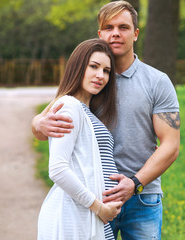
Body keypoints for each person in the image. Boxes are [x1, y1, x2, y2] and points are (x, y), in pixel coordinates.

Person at [32, 1, 180, 239]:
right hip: (93, 196)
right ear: (100, 33)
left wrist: (134, 183)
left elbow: (171, 145)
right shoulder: (90, 78)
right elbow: (44, 125)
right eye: (109, 27)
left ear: (136, 34)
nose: (116, 33)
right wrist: (38, 123)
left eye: (123, 27)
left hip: (142, 197)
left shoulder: (157, 82)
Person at [37, 38, 122, 240]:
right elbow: (58, 169)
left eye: (106, 70)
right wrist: (99, 207)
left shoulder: (86, 111)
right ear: (77, 67)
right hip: (77, 216)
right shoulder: (69, 106)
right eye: (94, 66)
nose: (100, 75)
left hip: (92, 217)